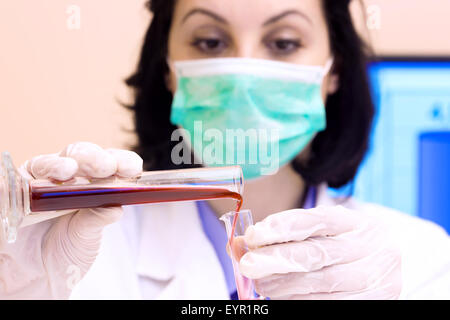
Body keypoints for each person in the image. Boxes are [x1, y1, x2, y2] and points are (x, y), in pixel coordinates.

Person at [1, 0, 450, 300]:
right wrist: (20, 288)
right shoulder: (81, 259)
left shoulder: (419, 261)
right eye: (211, 42)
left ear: (334, 73)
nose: (244, 72)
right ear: (168, 70)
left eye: (284, 43)